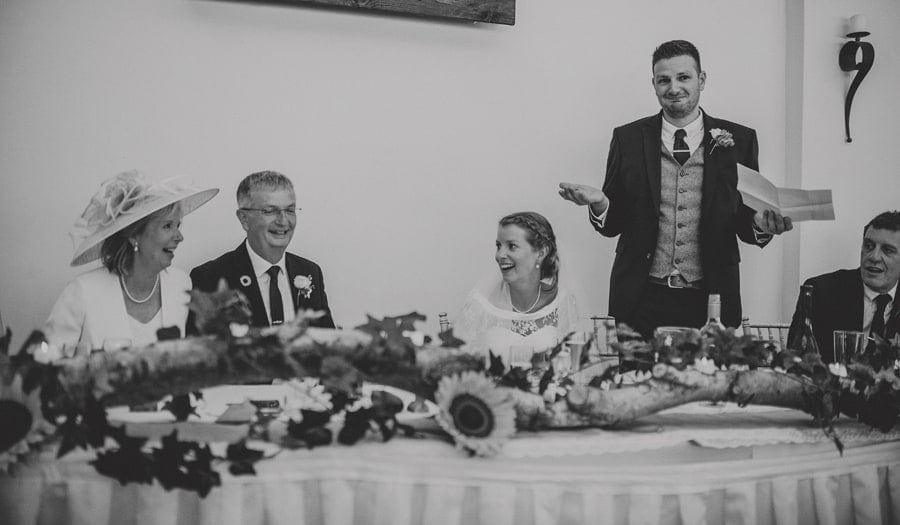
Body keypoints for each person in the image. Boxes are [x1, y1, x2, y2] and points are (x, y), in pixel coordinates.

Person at [558, 39, 792, 338]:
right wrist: (600, 203)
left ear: (701, 79)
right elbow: (612, 225)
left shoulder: (740, 140)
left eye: (683, 77)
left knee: (712, 383)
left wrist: (761, 224)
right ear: (653, 84)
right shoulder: (627, 138)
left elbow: (745, 222)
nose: (673, 87)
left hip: (713, 299)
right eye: (663, 80)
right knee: (637, 381)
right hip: (640, 298)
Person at [44, 171, 219, 350]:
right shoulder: (83, 290)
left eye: (178, 225)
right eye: (167, 226)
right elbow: (47, 362)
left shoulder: (180, 284)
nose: (179, 237)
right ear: (134, 236)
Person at [189, 170, 334, 331]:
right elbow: (202, 350)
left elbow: (329, 341)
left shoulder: (310, 271)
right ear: (244, 219)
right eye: (270, 211)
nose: (283, 221)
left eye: (290, 210)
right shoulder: (210, 277)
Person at [454, 211, 580, 363]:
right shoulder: (479, 304)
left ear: (541, 253)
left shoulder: (563, 304)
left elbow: (574, 367)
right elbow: (459, 368)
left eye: (512, 246)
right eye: (498, 246)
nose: (500, 255)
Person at [788, 211, 900, 363]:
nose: (873, 257)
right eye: (869, 246)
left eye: (887, 250)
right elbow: (796, 359)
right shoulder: (821, 291)